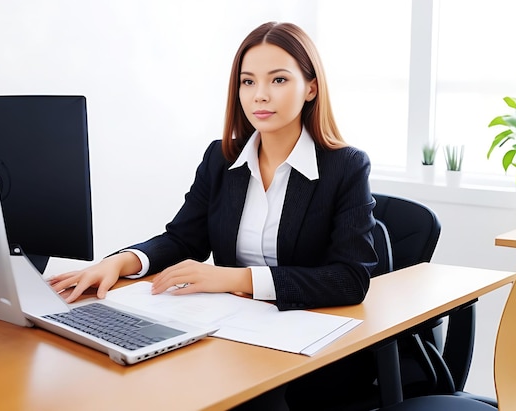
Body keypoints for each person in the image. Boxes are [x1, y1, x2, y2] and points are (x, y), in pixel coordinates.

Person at [48, 21, 378, 410]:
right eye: (248, 82)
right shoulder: (221, 159)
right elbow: (183, 239)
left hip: (310, 354)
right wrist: (120, 261)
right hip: (231, 337)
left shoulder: (345, 166)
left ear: (310, 87)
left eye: (278, 80)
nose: (260, 96)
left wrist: (234, 278)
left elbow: (351, 279)